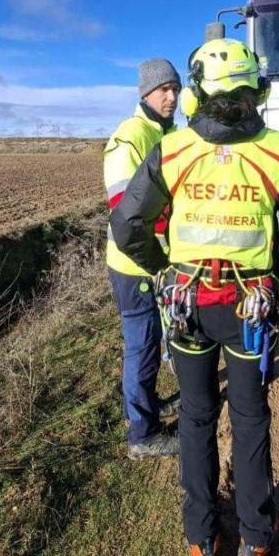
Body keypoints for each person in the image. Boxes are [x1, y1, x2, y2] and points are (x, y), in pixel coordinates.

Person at [111, 38, 279, 556]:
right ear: (259, 90)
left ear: (194, 96)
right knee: (250, 418)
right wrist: (270, 273)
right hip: (250, 308)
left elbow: (127, 223)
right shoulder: (278, 149)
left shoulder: (173, 148)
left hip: (188, 309)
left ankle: (199, 538)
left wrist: (164, 270)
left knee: (197, 419)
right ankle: (256, 536)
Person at [104, 58, 182, 460]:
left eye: (176, 89)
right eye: (163, 89)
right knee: (142, 346)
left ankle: (147, 407)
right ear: (144, 93)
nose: (171, 97)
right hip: (135, 263)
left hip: (155, 259)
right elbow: (125, 212)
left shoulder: (167, 133)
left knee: (149, 343)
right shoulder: (131, 135)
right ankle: (143, 435)